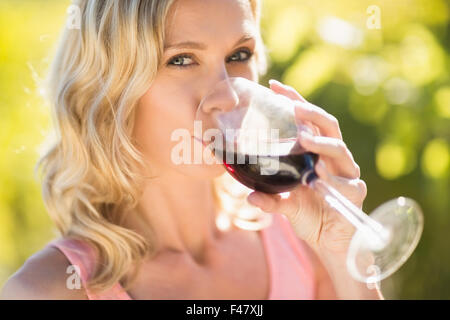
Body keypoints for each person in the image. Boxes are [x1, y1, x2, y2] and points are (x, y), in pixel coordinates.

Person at [1, 0, 383, 300]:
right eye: (181, 60)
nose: (229, 95)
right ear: (111, 87)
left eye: (238, 56)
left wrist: (343, 253)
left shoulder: (299, 233)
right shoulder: (47, 291)